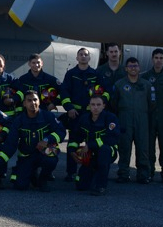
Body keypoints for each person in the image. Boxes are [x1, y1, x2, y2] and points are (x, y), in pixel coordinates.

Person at [0, 90, 66, 192]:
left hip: (45, 151)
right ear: (24, 103)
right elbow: (10, 144)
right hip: (27, 156)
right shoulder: (19, 121)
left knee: (51, 160)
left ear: (39, 102)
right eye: (29, 100)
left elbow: (61, 131)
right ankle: (29, 173)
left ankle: (43, 180)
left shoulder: (48, 116)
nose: (33, 103)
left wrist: (47, 140)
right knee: (20, 186)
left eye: (35, 100)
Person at [60, 47, 103, 182]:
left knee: (91, 143)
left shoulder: (95, 74)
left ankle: (92, 169)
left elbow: (102, 92)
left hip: (91, 115)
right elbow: (64, 93)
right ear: (77, 58)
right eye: (81, 55)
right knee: (73, 143)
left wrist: (97, 109)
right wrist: (69, 108)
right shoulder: (71, 74)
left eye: (86, 55)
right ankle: (71, 172)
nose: (83, 57)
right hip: (75, 114)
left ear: (89, 58)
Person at [111, 58, 156, 184]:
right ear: (126, 68)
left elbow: (152, 104)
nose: (133, 68)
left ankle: (143, 175)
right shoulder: (119, 84)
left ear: (139, 68)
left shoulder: (146, 85)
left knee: (143, 148)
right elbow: (114, 103)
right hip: (124, 119)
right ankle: (124, 174)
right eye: (130, 66)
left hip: (142, 120)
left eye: (135, 66)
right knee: (124, 148)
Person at [71, 95, 120, 196]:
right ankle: (92, 174)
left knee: (104, 152)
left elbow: (111, 138)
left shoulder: (111, 118)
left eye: (98, 104)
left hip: (108, 152)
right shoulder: (84, 119)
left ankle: (100, 186)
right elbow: (75, 136)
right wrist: (72, 151)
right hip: (90, 154)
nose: (95, 107)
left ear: (104, 106)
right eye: (93, 104)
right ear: (89, 106)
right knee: (81, 186)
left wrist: (90, 145)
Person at [143, 48, 163, 183]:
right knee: (149, 145)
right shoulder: (145, 77)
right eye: (156, 58)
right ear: (152, 59)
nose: (158, 60)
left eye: (161, 58)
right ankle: (149, 171)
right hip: (149, 116)